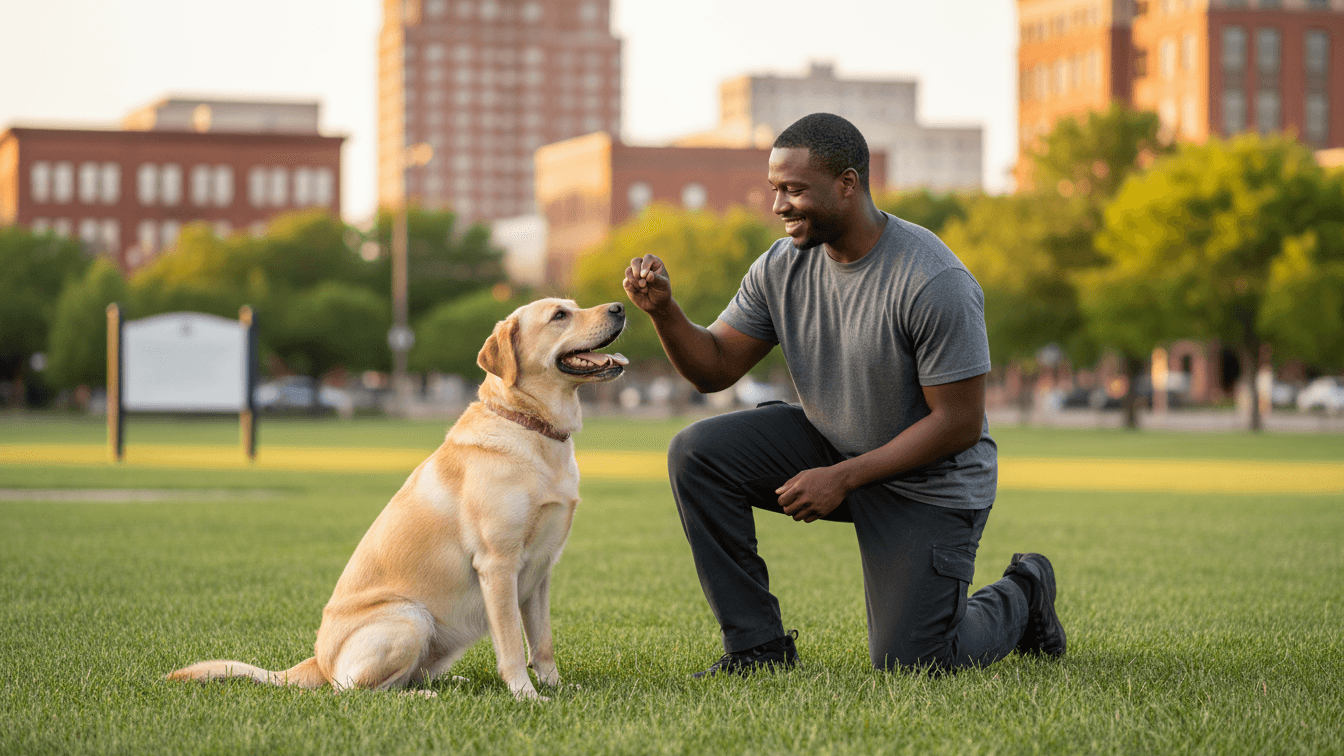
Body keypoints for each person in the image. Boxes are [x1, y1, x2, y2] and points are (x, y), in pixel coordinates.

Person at [621, 113, 1065, 676]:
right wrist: (665, 312)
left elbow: (958, 423)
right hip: (835, 444)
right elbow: (714, 369)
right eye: (775, 188)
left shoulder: (932, 280)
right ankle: (758, 649)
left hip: (929, 483)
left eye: (795, 190)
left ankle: (1022, 593)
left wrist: (844, 477)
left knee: (914, 665)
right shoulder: (781, 267)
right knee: (698, 453)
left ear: (847, 185)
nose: (778, 204)